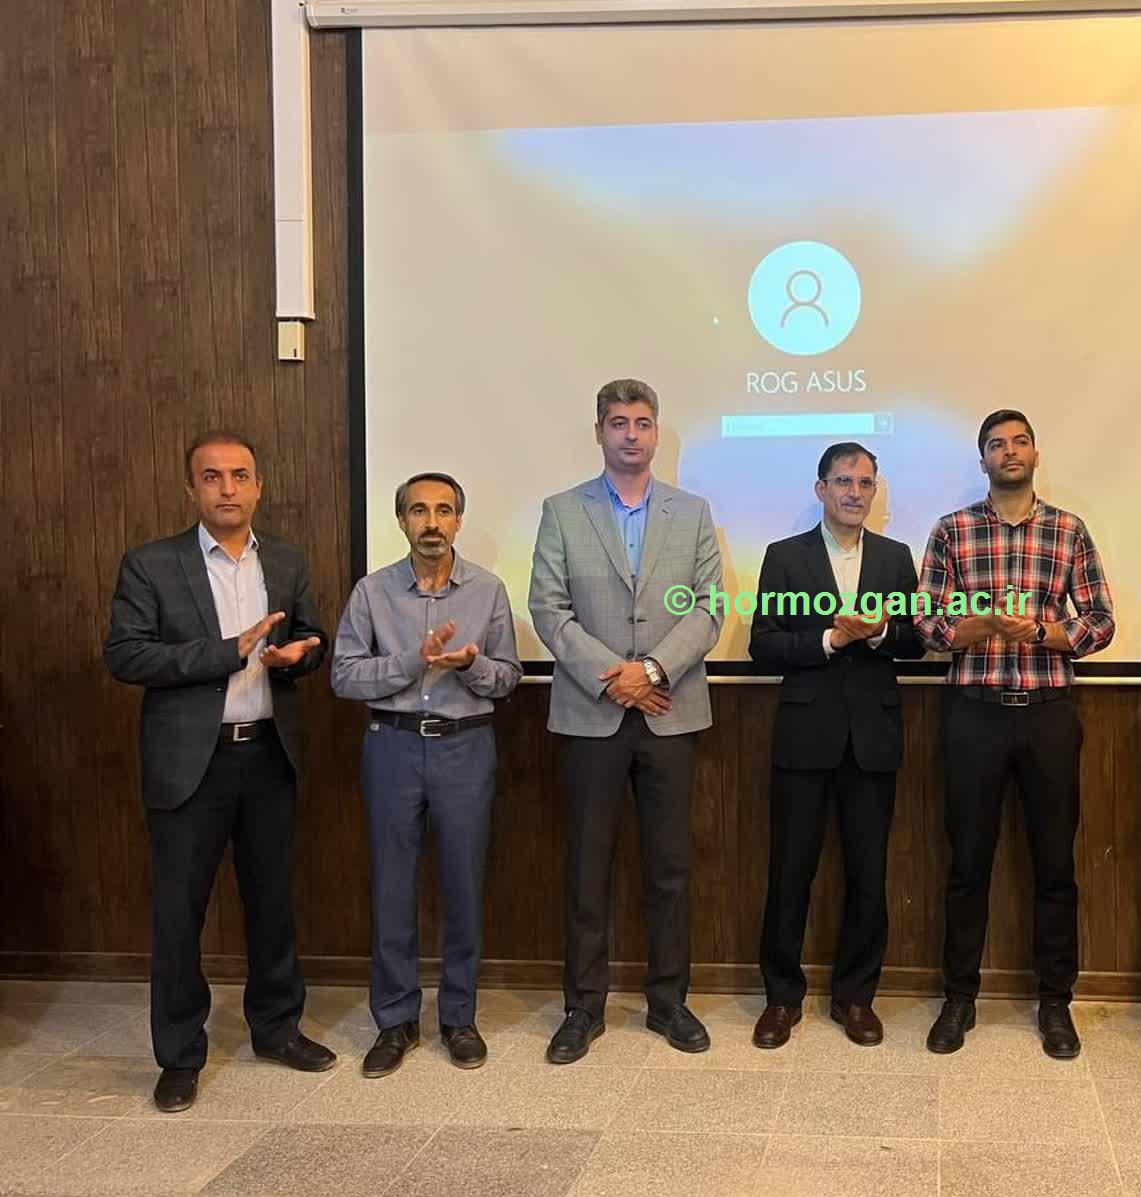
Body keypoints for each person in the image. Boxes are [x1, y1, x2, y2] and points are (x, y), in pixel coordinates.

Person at [104, 430, 336, 1113]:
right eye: (212, 477)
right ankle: (180, 1055)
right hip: (189, 764)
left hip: (267, 754)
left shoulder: (286, 560)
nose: (227, 488)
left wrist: (301, 654)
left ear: (259, 486)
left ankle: (277, 1028)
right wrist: (227, 651)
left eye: (239, 475)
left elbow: (313, 635)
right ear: (191, 489)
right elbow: (126, 655)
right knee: (180, 913)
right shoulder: (151, 564)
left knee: (272, 903)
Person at [529, 379, 724, 1062]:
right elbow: (548, 608)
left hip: (670, 710)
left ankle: (669, 1002)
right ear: (600, 432)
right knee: (587, 868)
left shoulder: (691, 512)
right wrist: (618, 677)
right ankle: (583, 1008)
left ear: (657, 433)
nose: (631, 434)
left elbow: (709, 607)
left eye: (642, 422)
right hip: (591, 712)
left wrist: (654, 672)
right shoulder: (562, 510)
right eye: (618, 422)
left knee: (670, 868)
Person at [915, 410, 1115, 1059]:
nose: (1009, 452)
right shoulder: (951, 530)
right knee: (966, 863)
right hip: (973, 712)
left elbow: (1100, 620)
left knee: (1055, 864)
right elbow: (927, 621)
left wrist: (1042, 632)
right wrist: (976, 628)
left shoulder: (1067, 530)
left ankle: (1055, 1002)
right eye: (996, 444)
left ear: (1034, 453)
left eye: (1019, 441)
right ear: (982, 460)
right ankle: (958, 998)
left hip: (1047, 712)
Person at [331, 472, 521, 1077]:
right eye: (419, 511)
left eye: (443, 511)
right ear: (402, 521)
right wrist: (413, 662)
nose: (432, 523)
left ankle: (459, 1018)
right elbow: (344, 676)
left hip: (465, 747)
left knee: (463, 884)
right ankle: (395, 1021)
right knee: (392, 886)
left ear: (459, 521)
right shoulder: (372, 592)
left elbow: (508, 678)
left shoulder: (488, 590)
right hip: (391, 744)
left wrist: (470, 666)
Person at [748, 443, 925, 1049]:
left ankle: (856, 997)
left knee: (869, 875)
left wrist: (877, 636)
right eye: (843, 481)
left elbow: (916, 643)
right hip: (804, 735)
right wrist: (829, 638)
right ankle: (781, 998)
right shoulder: (784, 557)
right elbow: (763, 645)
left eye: (865, 483)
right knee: (789, 872)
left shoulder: (896, 558)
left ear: (875, 491)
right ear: (821, 488)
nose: (854, 492)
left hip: (873, 738)